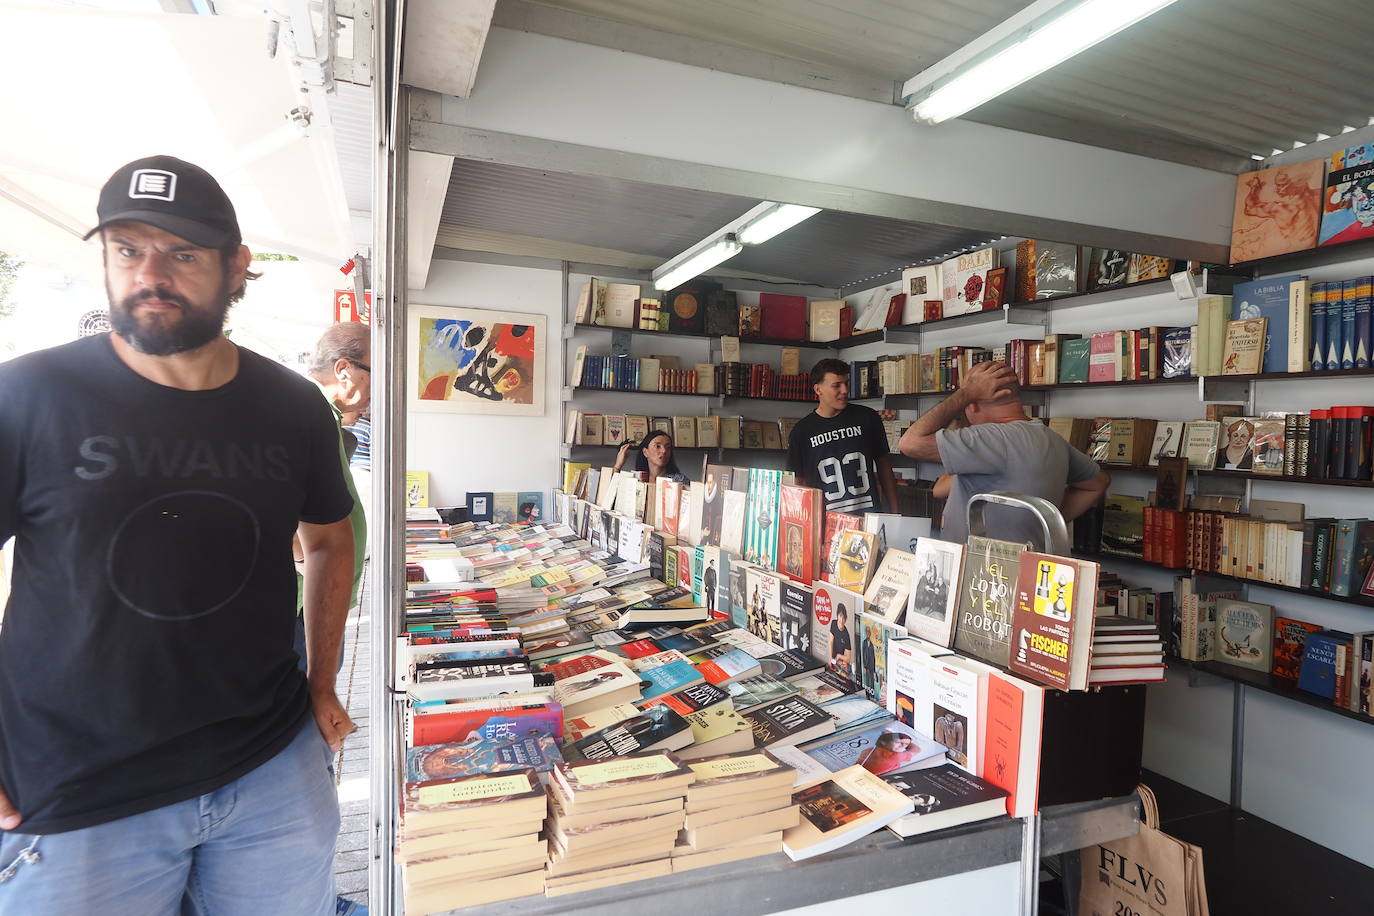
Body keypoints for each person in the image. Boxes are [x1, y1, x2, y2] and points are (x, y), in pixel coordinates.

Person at [0, 156, 355, 914]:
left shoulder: (293, 406)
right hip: (77, 791)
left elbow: (330, 538)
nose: (150, 274)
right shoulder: (27, 395)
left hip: (268, 768)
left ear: (236, 268)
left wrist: (322, 683)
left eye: (183, 254)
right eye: (127, 249)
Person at [899, 361, 1110, 546]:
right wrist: (1046, 523)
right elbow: (1098, 483)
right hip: (1022, 568)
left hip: (983, 577)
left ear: (971, 404)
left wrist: (966, 393)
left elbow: (910, 443)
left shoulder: (992, 438)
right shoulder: (1051, 438)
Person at [294, 323, 371, 671]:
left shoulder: (324, 414)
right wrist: (308, 566)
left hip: (313, 601)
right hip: (301, 608)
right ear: (344, 370)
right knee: (307, 709)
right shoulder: (306, 413)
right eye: (377, 373)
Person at [787, 358, 899, 515]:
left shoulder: (867, 418)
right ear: (818, 390)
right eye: (836, 385)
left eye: (846, 383)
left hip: (868, 516)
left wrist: (895, 513)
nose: (845, 390)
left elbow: (884, 466)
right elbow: (798, 483)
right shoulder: (802, 431)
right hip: (825, 521)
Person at [614, 429, 688, 484]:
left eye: (668, 447)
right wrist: (618, 466)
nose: (664, 451)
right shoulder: (636, 479)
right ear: (645, 452)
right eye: (658, 446)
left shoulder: (679, 481)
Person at [829, 605, 853, 677]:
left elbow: (848, 658)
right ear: (837, 615)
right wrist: (831, 659)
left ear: (846, 619)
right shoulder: (833, 623)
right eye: (840, 616)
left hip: (840, 662)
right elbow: (830, 642)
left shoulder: (846, 635)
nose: (841, 620)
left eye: (844, 618)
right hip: (833, 659)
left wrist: (839, 656)